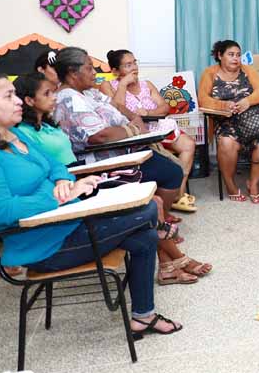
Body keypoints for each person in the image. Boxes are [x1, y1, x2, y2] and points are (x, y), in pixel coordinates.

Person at [0, 69, 181, 335]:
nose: (18, 101)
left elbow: (56, 164)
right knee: (147, 210)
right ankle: (161, 232)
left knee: (145, 236)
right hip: (43, 246)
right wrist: (63, 194)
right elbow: (2, 210)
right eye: (8, 96)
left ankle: (143, 316)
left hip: (69, 221)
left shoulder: (12, 135)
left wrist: (61, 181)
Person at [13, 72, 211, 283]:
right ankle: (176, 261)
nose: (54, 96)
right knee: (153, 202)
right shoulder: (24, 134)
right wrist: (67, 180)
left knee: (157, 197)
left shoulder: (47, 125)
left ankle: (167, 265)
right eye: (47, 93)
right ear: (29, 100)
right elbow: (48, 169)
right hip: (71, 186)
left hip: (79, 178)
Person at [50, 47, 185, 223]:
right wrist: (134, 130)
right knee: (170, 172)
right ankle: (157, 221)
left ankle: (157, 218)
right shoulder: (69, 99)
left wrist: (135, 118)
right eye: (89, 68)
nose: (94, 72)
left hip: (122, 147)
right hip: (102, 162)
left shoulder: (88, 92)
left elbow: (116, 105)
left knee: (170, 167)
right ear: (72, 73)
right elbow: (100, 136)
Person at [100, 49, 198, 213]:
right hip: (136, 134)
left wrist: (149, 113)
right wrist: (123, 84)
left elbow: (165, 107)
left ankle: (178, 194)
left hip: (158, 127)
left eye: (135, 63)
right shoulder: (108, 86)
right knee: (166, 160)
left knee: (188, 144)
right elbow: (115, 110)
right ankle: (170, 193)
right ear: (115, 71)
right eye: (128, 65)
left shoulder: (146, 84)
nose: (134, 68)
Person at [198, 40, 259, 203]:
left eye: (238, 55)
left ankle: (253, 183)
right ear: (220, 56)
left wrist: (246, 101)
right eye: (231, 54)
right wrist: (224, 105)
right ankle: (230, 185)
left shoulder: (248, 71)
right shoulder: (210, 73)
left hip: (251, 120)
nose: (236, 58)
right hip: (225, 122)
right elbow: (203, 99)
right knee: (227, 143)